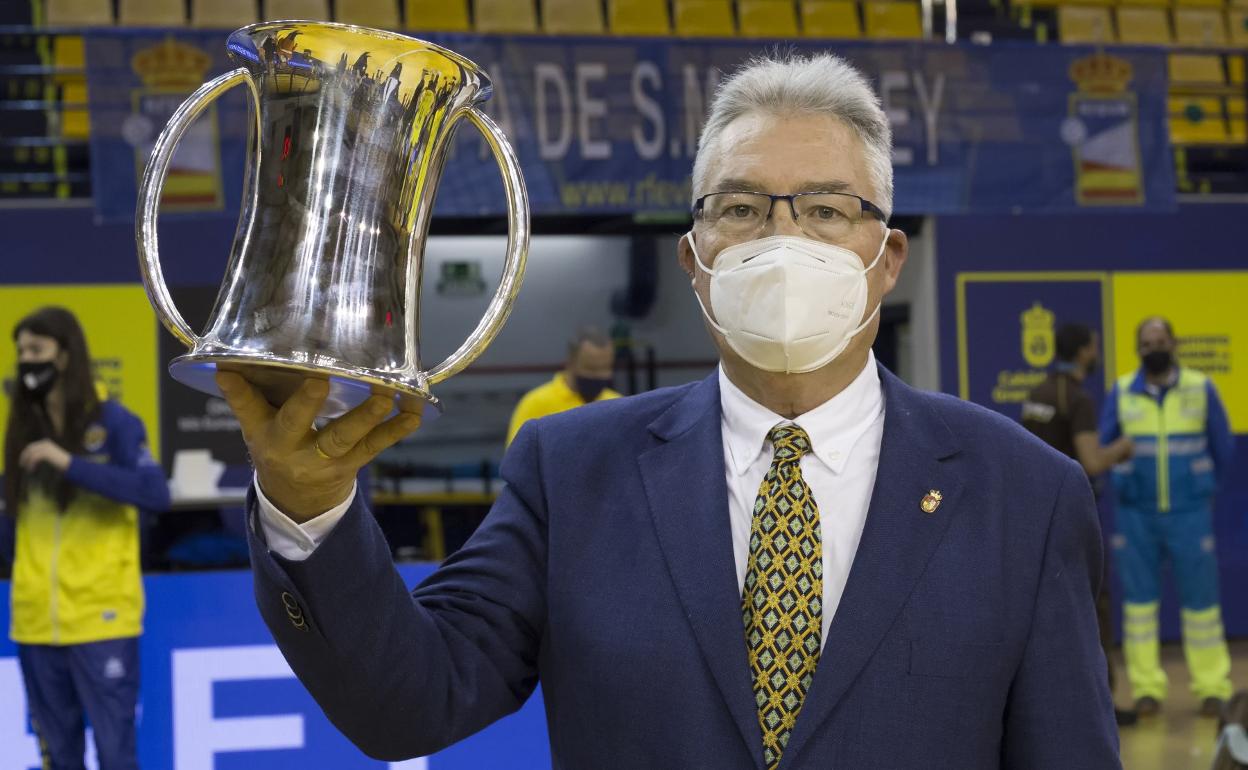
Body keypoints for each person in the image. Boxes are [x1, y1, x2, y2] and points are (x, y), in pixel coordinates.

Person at [219, 53, 1118, 768]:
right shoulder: (571, 472)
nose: (782, 238)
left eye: (826, 210)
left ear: (887, 259)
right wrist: (309, 509)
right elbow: (407, 701)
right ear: (694, 261)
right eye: (741, 207)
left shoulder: (1025, 496)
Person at [4, 306, 169, 770]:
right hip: (36, 622)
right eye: (21, 352)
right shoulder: (23, 429)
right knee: (59, 758)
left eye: (36, 350)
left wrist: (68, 463)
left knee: (116, 757)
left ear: (65, 355)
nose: (26, 361)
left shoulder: (114, 422)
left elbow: (154, 494)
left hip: (102, 620)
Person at [1100, 316, 1235, 718]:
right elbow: (1104, 447)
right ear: (1138, 349)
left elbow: (1222, 447)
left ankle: (1212, 687)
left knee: (1203, 606)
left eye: (1160, 340)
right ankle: (1146, 689)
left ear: (1174, 343)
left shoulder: (1200, 387)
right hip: (1136, 513)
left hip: (1189, 512)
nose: (1153, 348)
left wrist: (1206, 488)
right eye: (1146, 343)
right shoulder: (1122, 391)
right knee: (1140, 608)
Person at [1021, 322, 1136, 725]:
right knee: (1093, 610)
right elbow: (1091, 461)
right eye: (1095, 345)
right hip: (1073, 519)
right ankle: (1101, 703)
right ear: (1086, 351)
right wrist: (1124, 447)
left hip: (1036, 517)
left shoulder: (1037, 394)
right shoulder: (1078, 399)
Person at [505, 326, 620, 445]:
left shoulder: (617, 404)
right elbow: (517, 458)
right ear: (571, 362)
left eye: (606, 368)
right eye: (591, 368)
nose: (599, 375)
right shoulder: (535, 404)